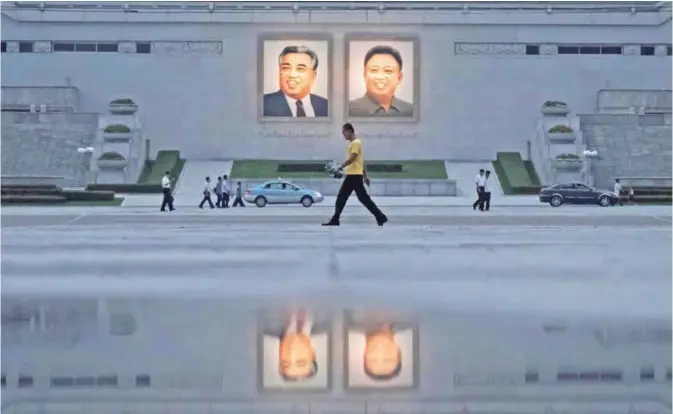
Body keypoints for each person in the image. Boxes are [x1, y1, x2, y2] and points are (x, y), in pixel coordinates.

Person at [323, 123, 388, 227]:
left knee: (342, 197)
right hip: (355, 175)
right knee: (363, 198)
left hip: (353, 176)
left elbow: (353, 158)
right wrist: (365, 176)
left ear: (349, 131)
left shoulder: (356, 143)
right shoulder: (353, 143)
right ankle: (380, 216)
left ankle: (335, 219)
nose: (343, 135)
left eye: (344, 132)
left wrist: (341, 167)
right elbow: (361, 161)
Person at [348, 45, 414, 118]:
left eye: (388, 71)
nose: (380, 77)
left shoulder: (412, 111)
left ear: (399, 78)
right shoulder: (348, 110)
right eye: (374, 70)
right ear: (364, 75)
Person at [263, 46, 328, 118]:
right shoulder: (262, 105)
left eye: (300, 69)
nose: (292, 75)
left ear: (313, 75)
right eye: (286, 68)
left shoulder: (326, 105)